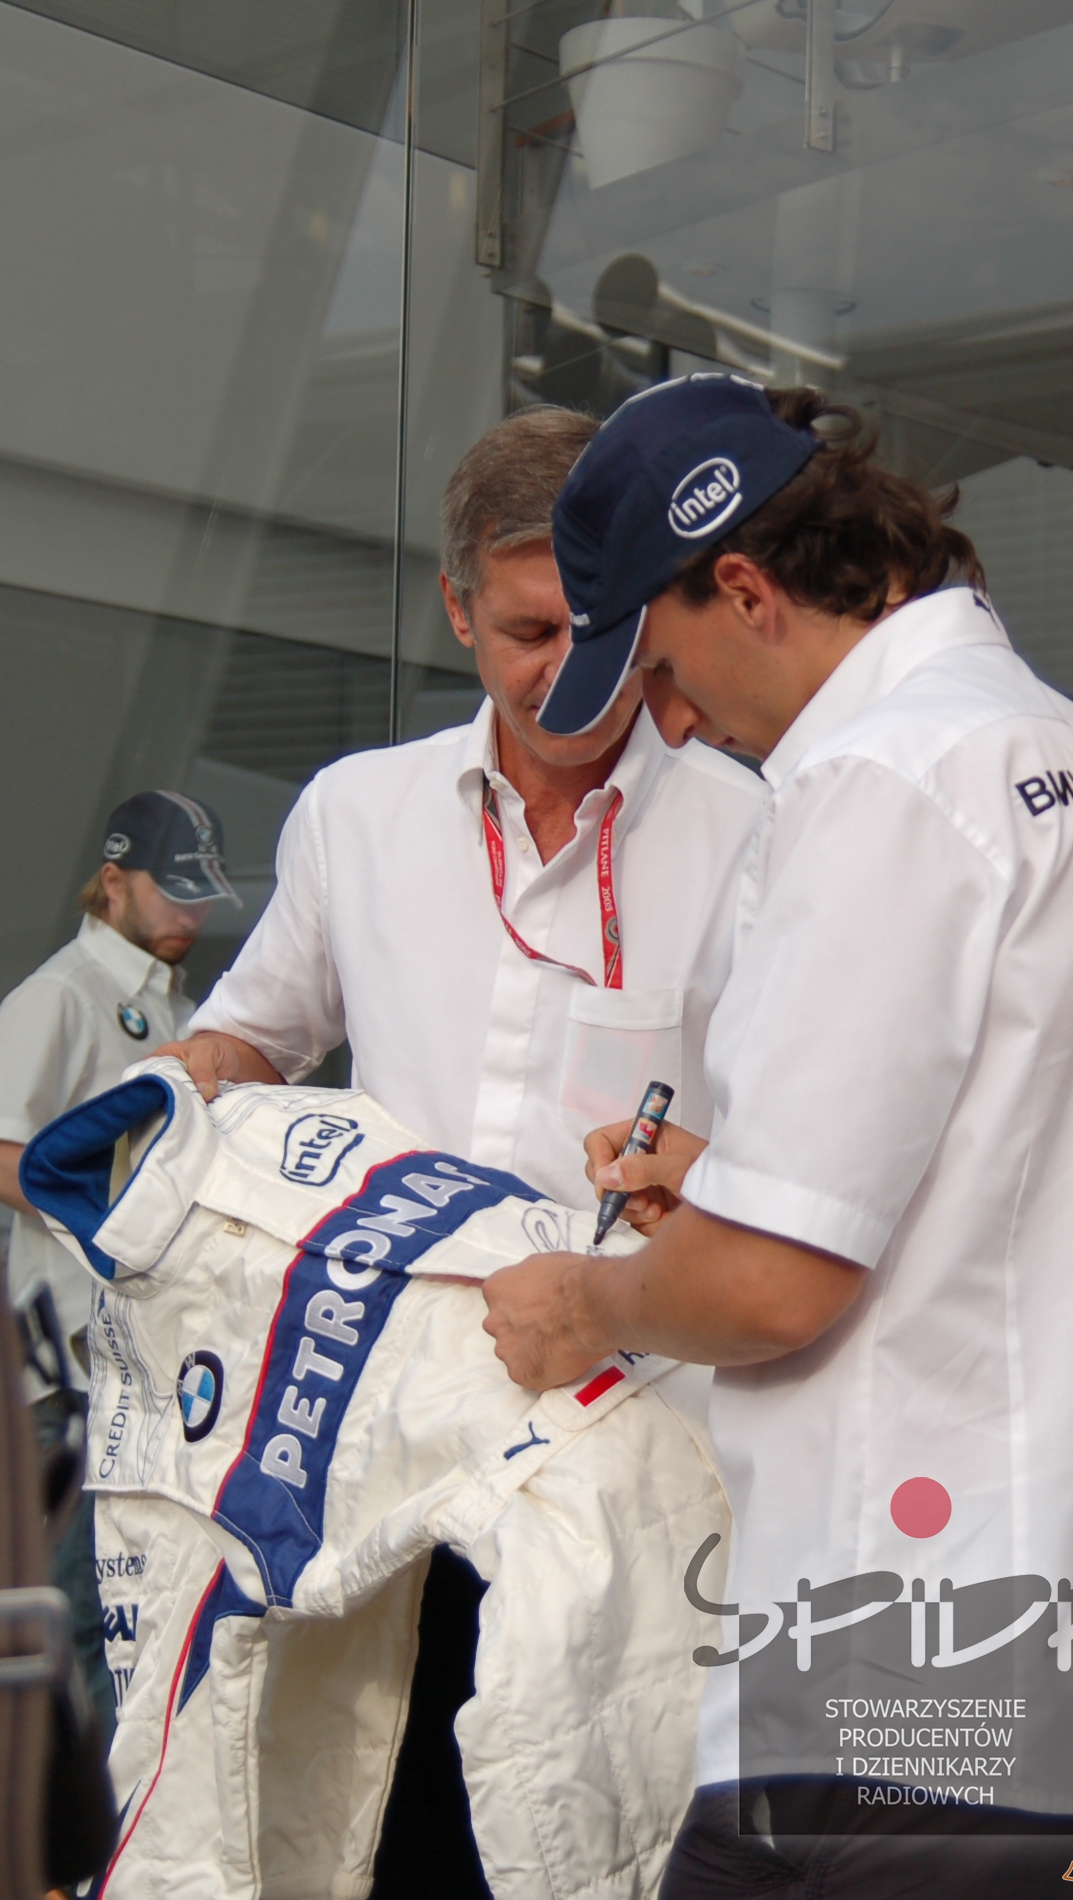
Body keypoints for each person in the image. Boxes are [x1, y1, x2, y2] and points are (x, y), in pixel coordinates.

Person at [481, 374, 1073, 1898]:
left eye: (661, 671)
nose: (678, 724)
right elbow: (1019, 1174)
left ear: (748, 588)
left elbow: (769, 1291)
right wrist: (731, 1189)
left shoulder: (874, 779)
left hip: (908, 1683)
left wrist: (586, 1300)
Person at [156, 404, 766, 1899]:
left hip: (617, 1455)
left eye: (596, 627)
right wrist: (162, 1102)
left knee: (585, 1837)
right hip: (373, 1435)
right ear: (454, 609)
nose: (565, 670)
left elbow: (787, 1146)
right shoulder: (357, 814)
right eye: (525, 631)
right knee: (372, 1816)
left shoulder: (754, 828)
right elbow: (257, 1034)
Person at [0, 788, 237, 1740]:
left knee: (130, 1609)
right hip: (63, 1368)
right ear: (112, 881)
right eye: (173, 891)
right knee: (75, 1613)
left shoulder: (177, 1002)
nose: (191, 914)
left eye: (202, 895)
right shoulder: (61, 995)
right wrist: (107, 1219)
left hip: (141, 1366)